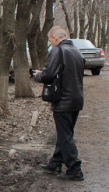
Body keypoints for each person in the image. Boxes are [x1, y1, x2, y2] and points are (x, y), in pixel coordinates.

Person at [32, 26, 85, 181]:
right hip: (77, 99)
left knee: (65, 136)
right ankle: (55, 163)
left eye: (50, 40)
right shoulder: (76, 51)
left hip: (64, 100)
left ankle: (75, 169)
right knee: (66, 133)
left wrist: (38, 75)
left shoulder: (58, 51)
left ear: (55, 38)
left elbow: (48, 74)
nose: (51, 43)